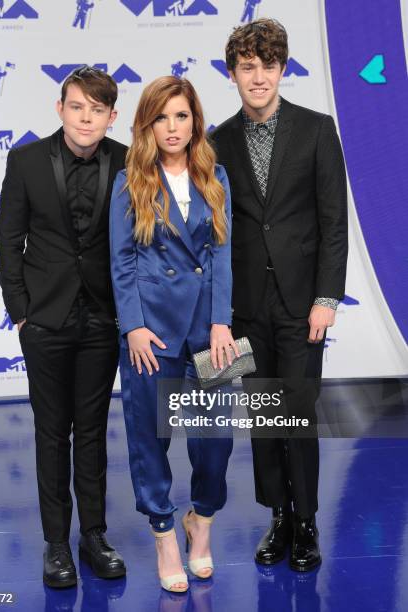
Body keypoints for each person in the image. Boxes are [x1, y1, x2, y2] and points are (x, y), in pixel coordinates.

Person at [211, 19, 348, 571]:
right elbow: (217, 231)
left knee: (299, 414)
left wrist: (327, 298)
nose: (259, 76)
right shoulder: (217, 140)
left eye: (269, 66)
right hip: (248, 308)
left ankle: (307, 521)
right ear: (234, 73)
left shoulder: (317, 130)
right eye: (248, 67)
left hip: (301, 305)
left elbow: (333, 222)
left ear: (283, 69)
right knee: (264, 418)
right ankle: (278, 518)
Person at [0, 66, 127, 588]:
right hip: (45, 320)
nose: (86, 118)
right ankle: (56, 543)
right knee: (52, 432)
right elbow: (10, 241)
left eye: (97, 110)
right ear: (60, 108)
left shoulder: (125, 160)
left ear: (111, 116)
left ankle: (93, 534)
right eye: (78, 107)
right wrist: (21, 310)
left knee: (92, 432)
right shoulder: (25, 160)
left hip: (102, 317)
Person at [109, 76, 236, 592]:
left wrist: (223, 319)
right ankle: (164, 532)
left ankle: (199, 524)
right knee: (149, 437)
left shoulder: (216, 175)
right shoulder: (129, 181)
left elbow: (223, 252)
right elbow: (122, 260)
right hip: (151, 334)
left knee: (217, 439)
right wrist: (132, 326)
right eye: (162, 117)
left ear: (194, 120)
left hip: (211, 331)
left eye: (181, 116)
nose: (173, 127)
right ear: (147, 124)